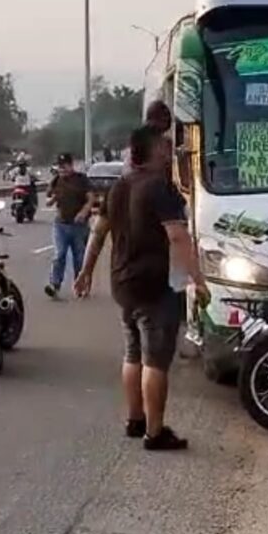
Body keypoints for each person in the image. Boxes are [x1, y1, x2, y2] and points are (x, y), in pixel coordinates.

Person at [73, 126, 210, 450]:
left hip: (123, 283)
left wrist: (85, 271)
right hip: (154, 284)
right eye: (164, 147)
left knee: (133, 353)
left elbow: (98, 232)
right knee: (155, 360)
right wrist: (198, 279)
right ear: (151, 151)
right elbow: (177, 236)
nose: (169, 152)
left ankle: (135, 419)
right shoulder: (160, 188)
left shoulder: (119, 187)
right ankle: (154, 431)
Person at [45, 153, 95, 298]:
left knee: (79, 257)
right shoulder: (56, 180)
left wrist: (84, 212)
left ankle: (79, 285)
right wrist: (52, 201)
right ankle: (54, 285)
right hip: (61, 225)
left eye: (65, 166)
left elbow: (91, 198)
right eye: (60, 166)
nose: (62, 169)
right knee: (59, 255)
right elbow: (52, 195)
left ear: (71, 165)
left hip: (79, 226)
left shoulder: (81, 180)